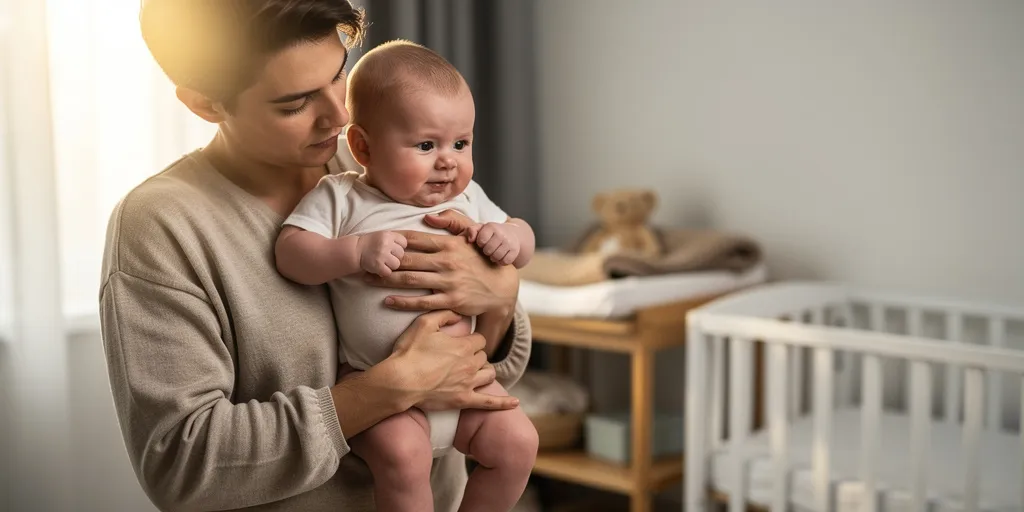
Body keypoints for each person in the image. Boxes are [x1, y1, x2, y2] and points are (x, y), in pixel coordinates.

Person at [98, 1, 532, 510]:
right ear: (206, 104)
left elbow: (492, 376)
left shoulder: (381, 156)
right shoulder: (161, 227)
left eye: (339, 74)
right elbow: (183, 463)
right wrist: (386, 389)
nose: (342, 114)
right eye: (295, 103)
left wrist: (500, 300)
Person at [275, 40, 538, 512]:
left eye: (461, 143)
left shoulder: (467, 198)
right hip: (381, 387)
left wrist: (510, 238)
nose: (448, 161)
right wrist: (353, 252)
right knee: (403, 457)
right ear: (362, 146)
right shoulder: (341, 198)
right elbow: (291, 253)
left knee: (518, 443)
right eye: (425, 145)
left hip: (468, 378)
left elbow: (522, 240)